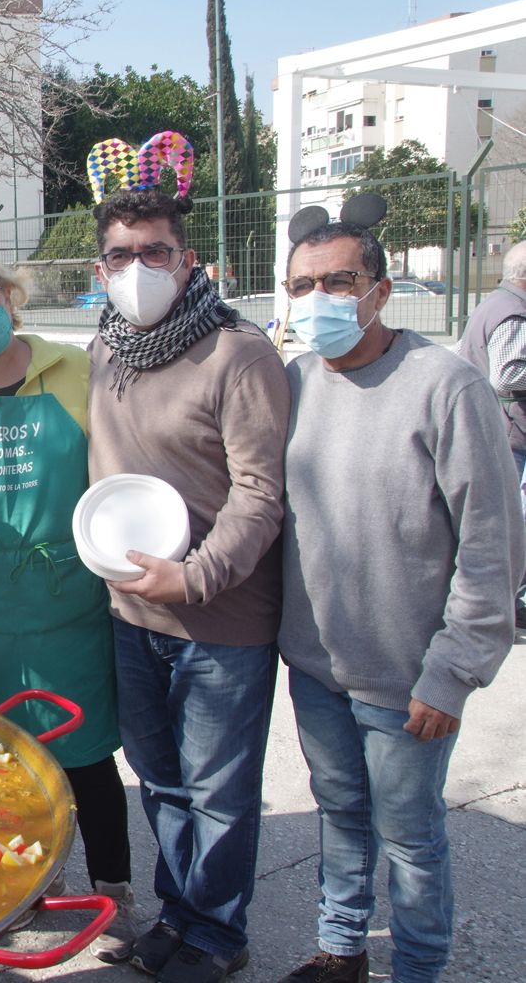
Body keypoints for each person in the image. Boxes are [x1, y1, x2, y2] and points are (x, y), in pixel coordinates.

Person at [276, 203, 524, 983]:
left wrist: (454, 670)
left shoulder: (446, 386)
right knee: (341, 818)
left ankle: (418, 968)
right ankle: (340, 948)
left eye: (338, 281)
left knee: (412, 839)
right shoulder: (292, 383)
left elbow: (492, 546)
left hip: (410, 682)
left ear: (379, 290)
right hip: (317, 668)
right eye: (302, 284)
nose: (319, 299)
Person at [0, 238, 136, 962]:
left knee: (88, 752)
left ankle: (117, 888)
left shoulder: (75, 367)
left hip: (71, 590)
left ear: (10, 297)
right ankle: (25, 887)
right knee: (5, 756)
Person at [87, 187, 288, 983]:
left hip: (220, 618)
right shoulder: (105, 348)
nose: (138, 270)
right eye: (121, 256)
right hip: (131, 610)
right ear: (101, 269)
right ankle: (179, 915)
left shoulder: (237, 354)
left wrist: (197, 577)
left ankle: (217, 933)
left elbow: (261, 493)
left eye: (155, 253)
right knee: (163, 783)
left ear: (188, 259)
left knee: (218, 792)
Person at [456, 240, 526, 629]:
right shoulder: (513, 311)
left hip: (499, 428)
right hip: (510, 431)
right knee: (510, 527)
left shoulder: (494, 304)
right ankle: (504, 606)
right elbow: (506, 374)